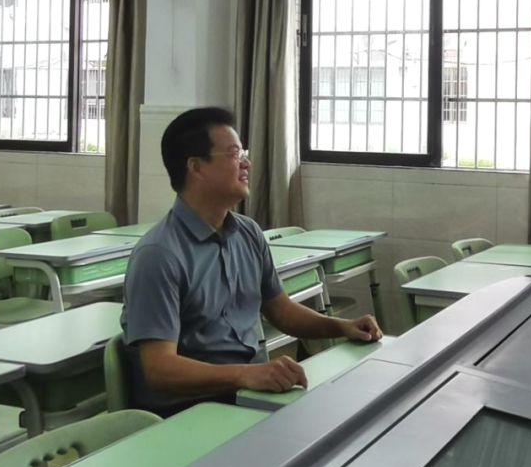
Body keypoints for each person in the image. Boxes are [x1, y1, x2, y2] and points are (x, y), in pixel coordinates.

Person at [121, 107, 382, 415]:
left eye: (243, 153)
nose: (246, 163)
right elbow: (160, 369)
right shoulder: (159, 255)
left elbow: (281, 311)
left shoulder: (248, 233)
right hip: (192, 410)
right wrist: (246, 374)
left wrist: (343, 326)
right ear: (196, 167)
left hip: (246, 393)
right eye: (234, 154)